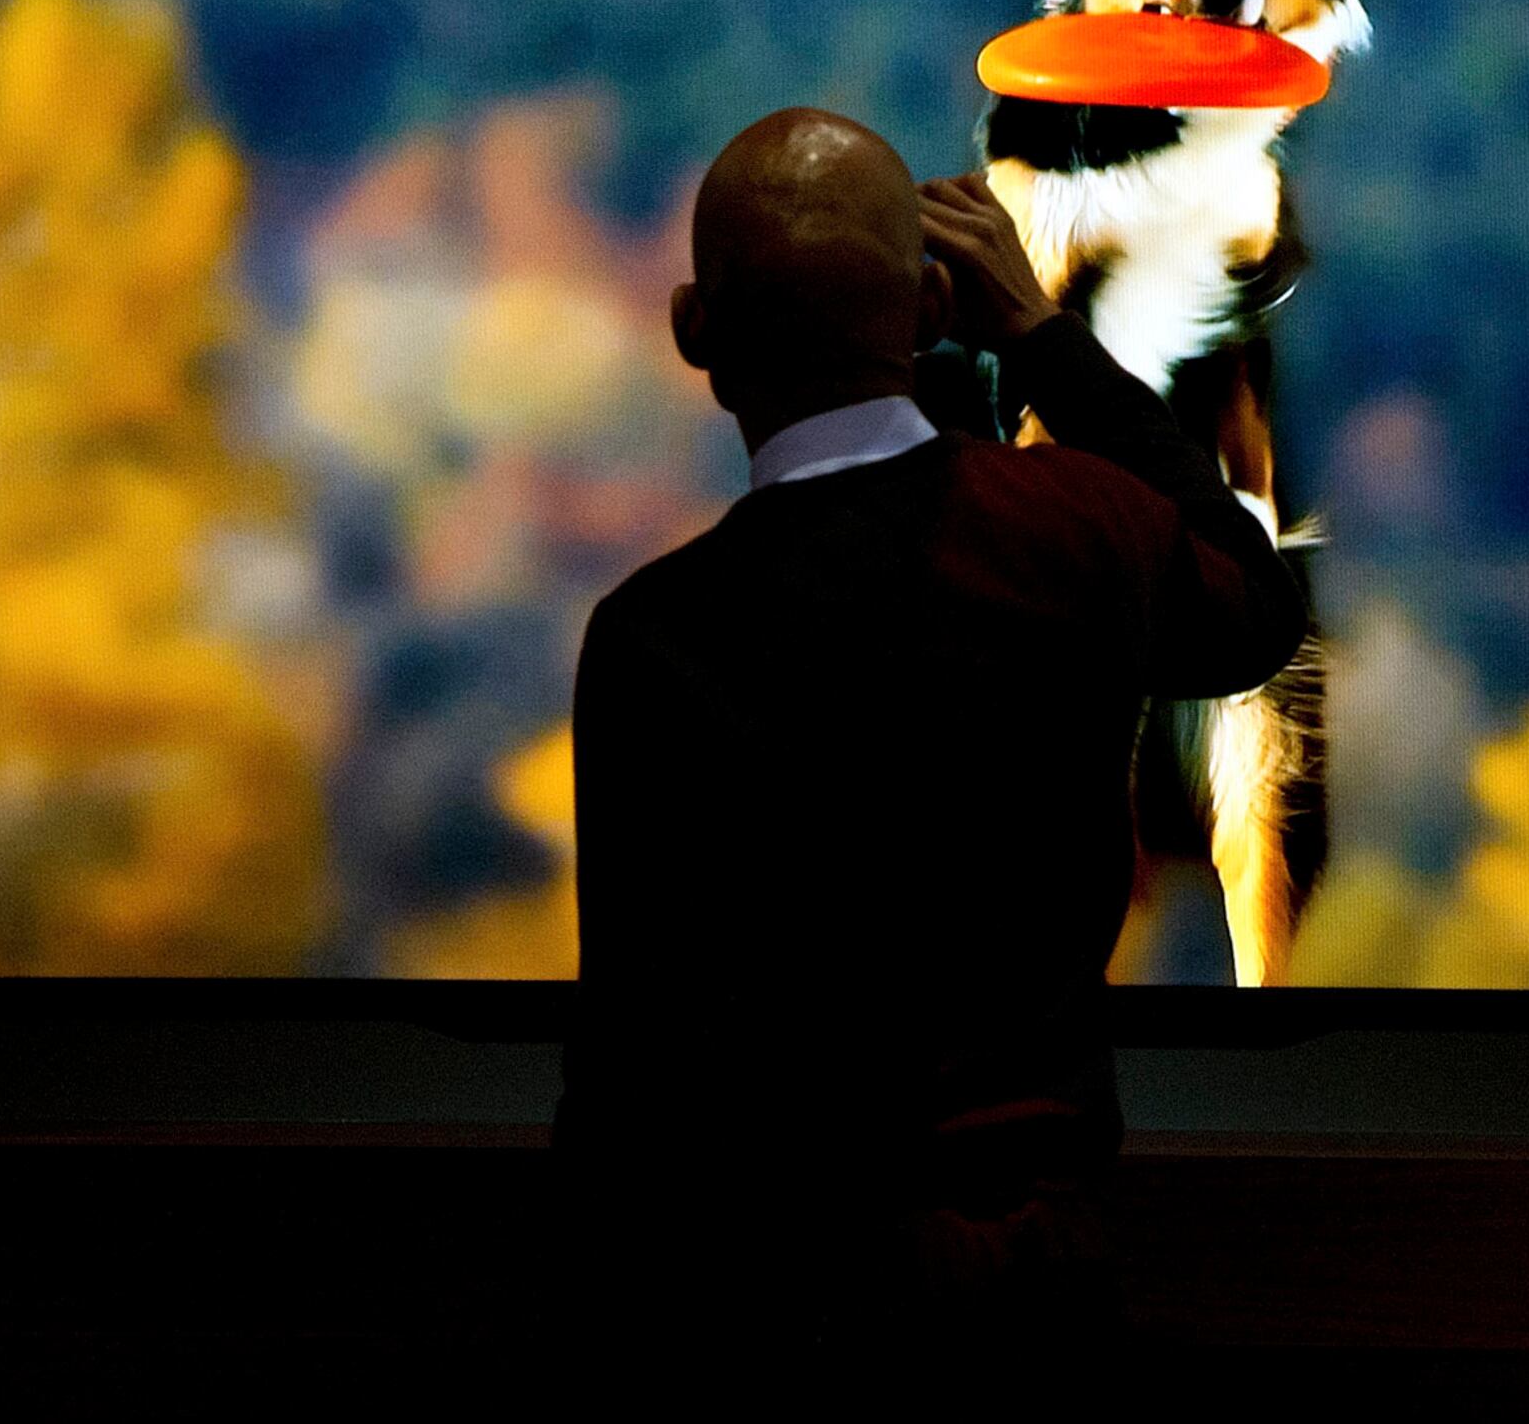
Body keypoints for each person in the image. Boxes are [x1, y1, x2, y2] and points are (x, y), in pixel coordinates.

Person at [554, 107, 1310, 1350]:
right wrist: (1050, 340)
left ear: (697, 331)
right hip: (1042, 1299)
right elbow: (1255, 604)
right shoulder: (1080, 535)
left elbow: (629, 1082)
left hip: (767, 1308)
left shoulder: (656, 638)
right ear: (930, 310)